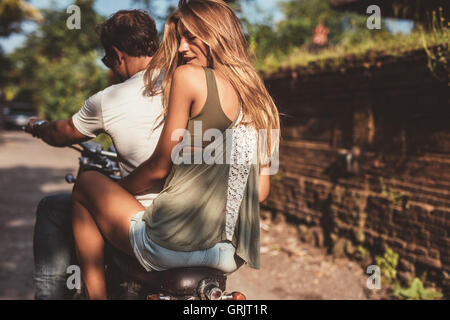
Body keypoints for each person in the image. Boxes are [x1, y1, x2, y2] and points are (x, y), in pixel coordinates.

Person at [71, 0, 280, 300]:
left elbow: (159, 165)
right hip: (230, 255)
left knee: (87, 184)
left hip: (172, 246)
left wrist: (119, 191)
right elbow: (260, 192)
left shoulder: (189, 78)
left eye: (192, 37)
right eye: (179, 39)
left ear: (217, 34)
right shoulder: (263, 102)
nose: (182, 48)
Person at [26, 10, 163, 300]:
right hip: (195, 220)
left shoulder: (110, 99)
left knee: (55, 205)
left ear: (117, 54)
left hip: (146, 224)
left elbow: (61, 133)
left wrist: (38, 126)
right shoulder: (190, 84)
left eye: (107, 60)